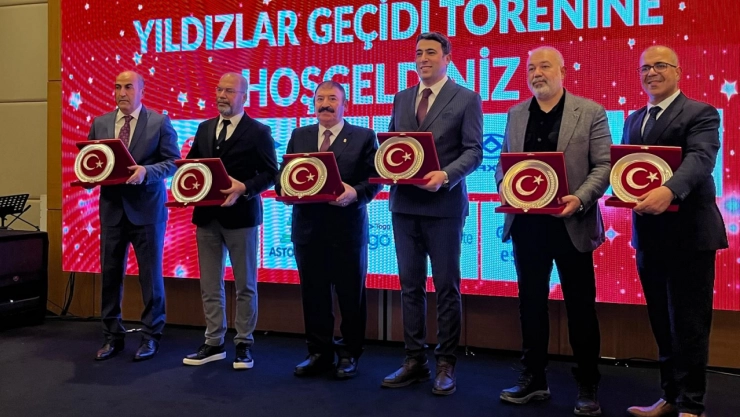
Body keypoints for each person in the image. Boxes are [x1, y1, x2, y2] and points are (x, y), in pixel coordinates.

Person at [494, 47, 611, 416]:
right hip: (526, 225)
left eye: (544, 66)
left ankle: (587, 383)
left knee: (580, 306)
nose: (537, 73)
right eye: (531, 68)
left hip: (572, 223)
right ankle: (534, 379)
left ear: (563, 71)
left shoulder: (590, 111)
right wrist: (505, 188)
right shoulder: (515, 113)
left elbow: (604, 166)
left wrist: (580, 198)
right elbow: (504, 165)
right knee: (530, 304)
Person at [623, 46, 727, 417]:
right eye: (644, 68)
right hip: (649, 237)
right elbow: (627, 169)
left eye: (660, 65)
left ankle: (691, 405)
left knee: (690, 324)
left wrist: (669, 191)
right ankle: (670, 396)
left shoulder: (701, 113)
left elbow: (701, 159)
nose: (651, 72)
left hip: (690, 236)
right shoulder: (634, 119)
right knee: (661, 322)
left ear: (678, 71)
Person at [380, 31, 483, 396]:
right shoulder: (402, 97)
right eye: (418, 53)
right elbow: (391, 145)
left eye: (430, 53)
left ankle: (446, 364)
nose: (423, 58)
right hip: (404, 205)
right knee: (410, 286)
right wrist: (385, 166)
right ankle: (414, 361)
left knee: (446, 286)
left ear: (447, 59)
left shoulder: (467, 98)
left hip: (444, 207)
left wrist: (446, 175)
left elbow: (474, 151)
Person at [275, 81, 381, 379]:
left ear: (345, 104)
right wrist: (284, 189)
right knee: (314, 295)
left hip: (347, 230)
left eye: (332, 99)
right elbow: (283, 176)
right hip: (308, 231)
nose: (325, 104)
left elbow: (374, 179)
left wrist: (355, 193)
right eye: (320, 98)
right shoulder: (300, 135)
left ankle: (349, 354)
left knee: (350, 296)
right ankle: (318, 353)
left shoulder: (363, 136)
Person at [181, 73, 278, 369]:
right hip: (207, 217)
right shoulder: (204, 128)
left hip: (242, 218)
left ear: (244, 96)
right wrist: (185, 185)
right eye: (219, 89)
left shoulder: (259, 131)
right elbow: (193, 165)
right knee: (210, 284)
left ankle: (244, 343)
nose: (222, 95)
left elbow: (271, 173)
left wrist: (244, 188)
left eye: (229, 91)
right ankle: (213, 342)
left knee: (245, 284)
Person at [90, 70, 179, 361]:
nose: (122, 93)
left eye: (128, 87)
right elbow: (91, 161)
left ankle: (151, 336)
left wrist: (146, 172)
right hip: (112, 211)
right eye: (117, 87)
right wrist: (88, 176)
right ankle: (111, 337)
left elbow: (173, 162)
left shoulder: (159, 122)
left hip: (147, 211)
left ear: (142, 90)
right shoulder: (100, 123)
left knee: (150, 278)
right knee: (110, 276)